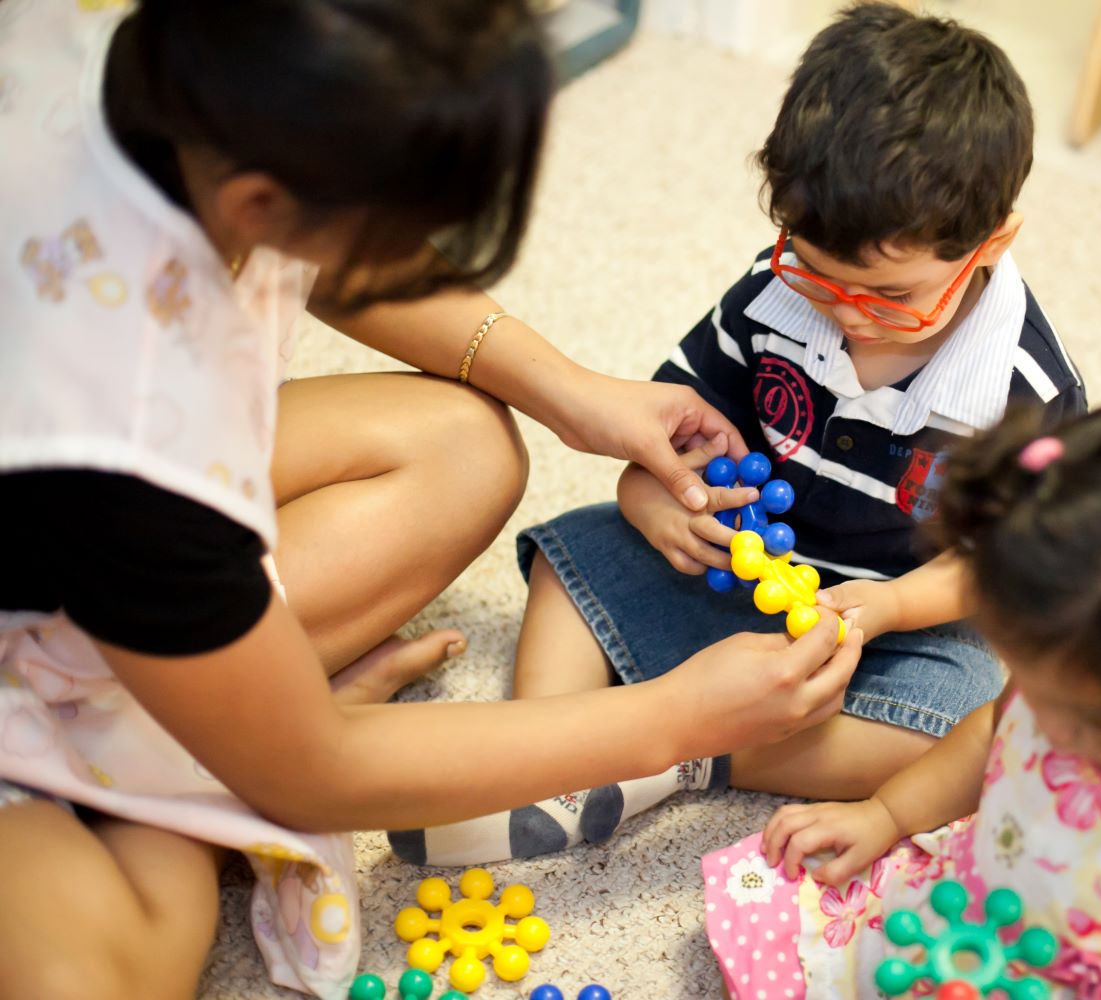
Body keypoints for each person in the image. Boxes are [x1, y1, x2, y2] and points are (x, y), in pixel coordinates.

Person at [0, 2, 860, 997]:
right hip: (71, 536)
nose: (423, 246)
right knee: (105, 971)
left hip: (78, 527)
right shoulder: (132, 440)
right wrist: (678, 717)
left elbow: (321, 258)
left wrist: (572, 395)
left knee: (464, 446)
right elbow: (311, 774)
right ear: (260, 198)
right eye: (402, 227)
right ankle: (185, 759)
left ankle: (208, 711)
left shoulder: (157, 70)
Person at [391, 1, 1086, 867]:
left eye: (891, 298)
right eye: (816, 272)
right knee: (578, 563)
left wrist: (897, 605)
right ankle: (549, 749)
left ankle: (684, 760)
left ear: (991, 244)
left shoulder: (1026, 392)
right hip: (737, 567)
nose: (845, 317)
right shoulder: (775, 290)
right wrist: (655, 505)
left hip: (897, 620)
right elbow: (666, 428)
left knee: (958, 733)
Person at [707, 400, 1101, 999]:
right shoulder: (1068, 678)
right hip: (974, 909)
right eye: (1037, 691)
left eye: (1088, 719)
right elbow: (994, 731)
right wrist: (887, 814)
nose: (1049, 726)